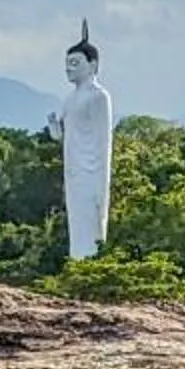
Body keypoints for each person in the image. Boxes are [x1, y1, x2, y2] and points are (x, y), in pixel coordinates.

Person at [47, 21, 114, 260]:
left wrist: (98, 175)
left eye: (75, 63)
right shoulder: (69, 100)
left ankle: (92, 262)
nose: (69, 69)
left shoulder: (99, 97)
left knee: (91, 219)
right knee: (76, 219)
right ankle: (77, 262)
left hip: (92, 168)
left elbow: (103, 139)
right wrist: (54, 126)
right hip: (73, 168)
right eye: (67, 65)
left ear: (93, 65)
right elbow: (60, 136)